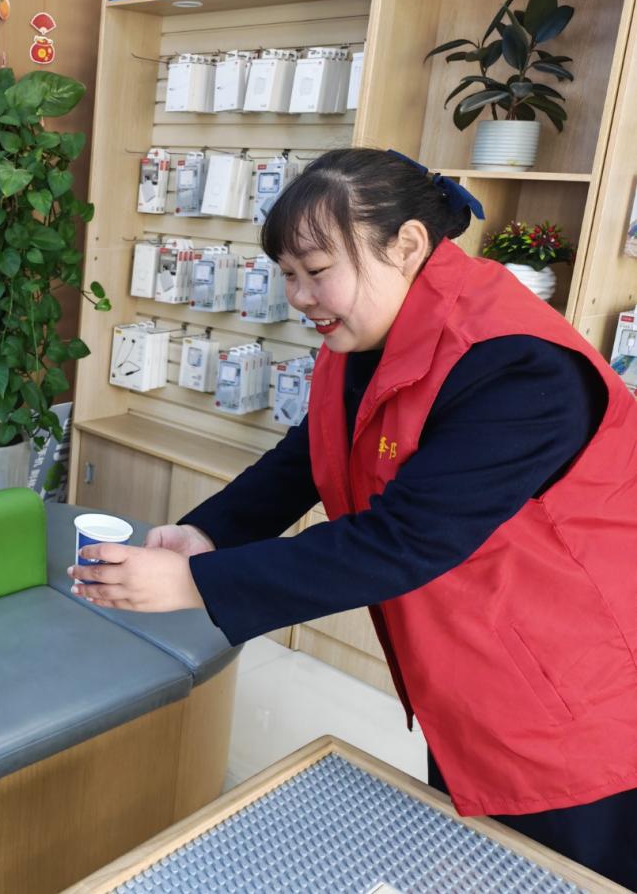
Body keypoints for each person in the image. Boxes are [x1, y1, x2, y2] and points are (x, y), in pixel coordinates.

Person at [70, 148, 637, 887]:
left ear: (407, 244)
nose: (300, 297)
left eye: (316, 270)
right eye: (288, 274)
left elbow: (401, 540)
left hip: (576, 696)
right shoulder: (367, 329)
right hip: (473, 667)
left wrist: (195, 583)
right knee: (482, 857)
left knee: (560, 872)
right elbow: (313, 453)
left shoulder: (519, 367)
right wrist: (210, 532)